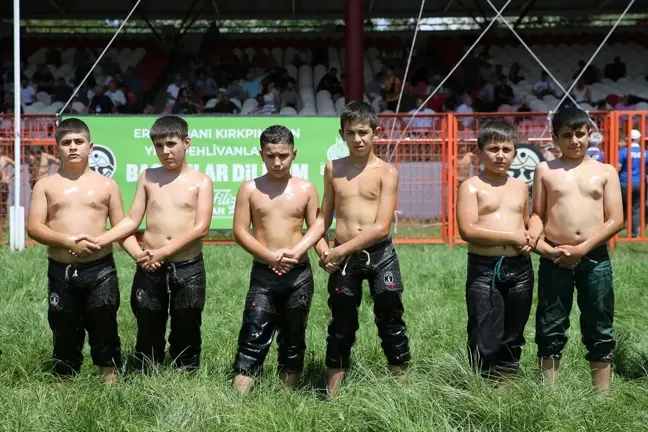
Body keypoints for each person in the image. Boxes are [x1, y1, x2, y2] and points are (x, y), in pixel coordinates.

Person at [281, 101, 411, 396]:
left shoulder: (386, 172)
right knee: (341, 323)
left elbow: (381, 227)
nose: (358, 139)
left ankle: (402, 391)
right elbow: (322, 217)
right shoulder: (333, 168)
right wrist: (322, 249)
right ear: (342, 134)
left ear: (376, 133)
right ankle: (333, 393)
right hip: (341, 257)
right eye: (351, 133)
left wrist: (338, 252)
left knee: (391, 319)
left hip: (380, 255)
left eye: (364, 132)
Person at [78, 115, 214, 372]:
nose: (166, 151)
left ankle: (185, 374)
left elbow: (201, 228)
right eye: (159, 146)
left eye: (171, 144)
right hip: (150, 265)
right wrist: (101, 239)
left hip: (187, 266)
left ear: (187, 142)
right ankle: (146, 372)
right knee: (148, 321)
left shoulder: (201, 181)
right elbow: (131, 220)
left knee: (187, 322)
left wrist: (162, 252)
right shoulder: (148, 177)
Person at [26, 118, 143, 382]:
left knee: (105, 327)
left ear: (91, 147)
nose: (73, 147)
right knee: (64, 328)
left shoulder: (106, 185)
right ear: (57, 149)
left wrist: (139, 256)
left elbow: (121, 228)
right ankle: (65, 385)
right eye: (66, 143)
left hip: (100, 270)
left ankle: (109, 383)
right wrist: (69, 242)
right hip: (61, 271)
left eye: (79, 142)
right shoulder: (46, 185)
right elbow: (34, 227)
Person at [530, 107, 624, 391]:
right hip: (555, 257)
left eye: (580, 134)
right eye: (567, 135)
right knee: (550, 322)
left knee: (599, 322)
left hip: (594, 258)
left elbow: (616, 219)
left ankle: (602, 396)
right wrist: (539, 244)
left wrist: (582, 248)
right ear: (555, 138)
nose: (575, 141)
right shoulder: (545, 170)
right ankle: (550, 393)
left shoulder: (605, 171)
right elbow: (538, 214)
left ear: (590, 134)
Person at [231, 125, 324, 393]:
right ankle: (237, 402)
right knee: (252, 334)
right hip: (263, 273)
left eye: (283, 155)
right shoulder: (249, 189)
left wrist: (317, 253)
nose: (277, 162)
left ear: (294, 154)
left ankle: (287, 398)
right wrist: (269, 256)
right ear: (261, 154)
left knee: (294, 337)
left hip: (299, 275)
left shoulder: (306, 188)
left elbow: (316, 227)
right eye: (271, 155)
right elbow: (240, 231)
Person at [455, 120, 535, 379]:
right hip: (484, 268)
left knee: (514, 331)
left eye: (506, 149)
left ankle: (506, 383)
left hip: (520, 268)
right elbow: (467, 229)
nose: (500, 155)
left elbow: (527, 221)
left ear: (515, 153)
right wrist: (511, 235)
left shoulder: (520, 187)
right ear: (479, 153)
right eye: (493, 149)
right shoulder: (471, 186)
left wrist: (530, 235)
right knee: (484, 332)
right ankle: (480, 382)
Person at [617, 129, 647, 238]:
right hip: (639, 183)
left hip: (624, 183)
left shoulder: (623, 152)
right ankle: (634, 233)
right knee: (636, 208)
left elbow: (618, 168)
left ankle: (616, 231)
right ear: (638, 139)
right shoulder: (644, 152)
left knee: (621, 207)